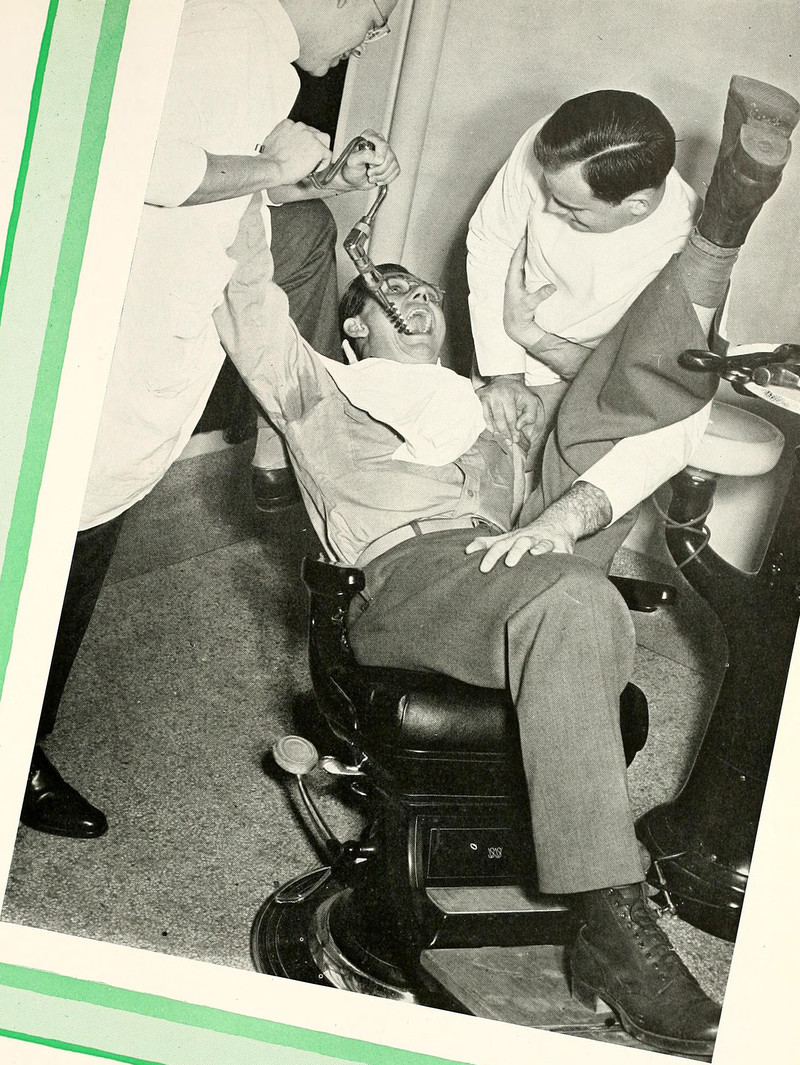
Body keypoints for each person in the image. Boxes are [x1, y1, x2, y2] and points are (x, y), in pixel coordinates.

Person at [204, 77, 795, 1051]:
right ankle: (610, 921)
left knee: (618, 396)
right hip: (408, 577)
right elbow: (245, 286)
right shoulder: (323, 387)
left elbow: (630, 398)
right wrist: (282, 175)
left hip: (514, 541)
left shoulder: (482, 406)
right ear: (351, 330)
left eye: (420, 292)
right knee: (577, 599)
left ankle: (716, 234)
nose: (409, 294)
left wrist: (529, 366)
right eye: (383, 292)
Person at [21, 0, 402, 839]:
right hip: (108, 337)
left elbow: (228, 191)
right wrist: (272, 165)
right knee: (58, 552)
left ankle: (22, 745)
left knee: (80, 541)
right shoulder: (228, 32)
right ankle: (19, 754)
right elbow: (147, 165)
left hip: (142, 343)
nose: (365, 43)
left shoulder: (257, 43)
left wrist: (319, 179)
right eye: (372, 21)